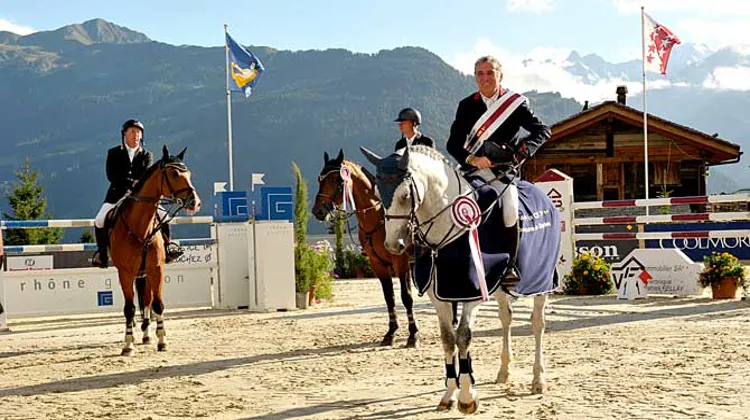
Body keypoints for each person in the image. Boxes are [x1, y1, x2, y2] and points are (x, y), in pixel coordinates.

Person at [446, 56, 550, 285]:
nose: (485, 78)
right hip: (471, 171)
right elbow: (452, 144)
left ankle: (510, 266)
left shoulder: (514, 104)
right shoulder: (466, 106)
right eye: (480, 73)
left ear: (500, 75)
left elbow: (542, 131)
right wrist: (472, 159)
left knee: (510, 210)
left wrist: (521, 152)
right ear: (475, 78)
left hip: (503, 173)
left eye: (490, 72)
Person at [91, 119, 183, 268]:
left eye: (138, 132)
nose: (136, 135)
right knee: (99, 220)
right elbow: (111, 175)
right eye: (132, 131)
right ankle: (102, 255)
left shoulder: (147, 155)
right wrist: (130, 182)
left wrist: (137, 184)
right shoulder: (113, 153)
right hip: (117, 194)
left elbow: (146, 176)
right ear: (124, 134)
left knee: (163, 217)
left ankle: (168, 247)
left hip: (142, 197)